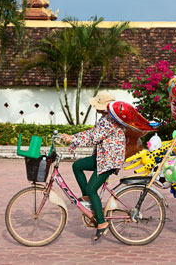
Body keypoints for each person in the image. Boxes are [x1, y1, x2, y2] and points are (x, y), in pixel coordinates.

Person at [61, 91, 126, 241]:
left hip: (109, 160)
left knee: (92, 189)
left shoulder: (110, 121)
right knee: (77, 166)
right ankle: (89, 200)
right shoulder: (106, 118)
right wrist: (73, 138)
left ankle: (102, 223)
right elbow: (93, 133)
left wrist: (73, 139)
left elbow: (93, 136)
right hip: (101, 158)